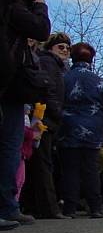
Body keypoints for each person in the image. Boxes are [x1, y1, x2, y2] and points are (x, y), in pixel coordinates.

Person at [0, 0, 50, 230]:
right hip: (7, 73)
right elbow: (39, 30)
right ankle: (5, 205)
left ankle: (7, 204)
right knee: (7, 141)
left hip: (11, 76)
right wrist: (40, 9)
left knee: (11, 141)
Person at [58, 43, 103, 218]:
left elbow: (54, 99)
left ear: (72, 57)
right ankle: (95, 207)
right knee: (90, 169)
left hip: (67, 129)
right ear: (91, 59)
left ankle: (69, 208)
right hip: (93, 131)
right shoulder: (100, 82)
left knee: (70, 169)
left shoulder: (64, 78)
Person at [19, 33, 70, 219]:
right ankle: (49, 208)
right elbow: (47, 90)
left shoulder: (57, 66)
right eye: (61, 47)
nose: (65, 50)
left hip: (48, 118)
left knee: (39, 163)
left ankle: (33, 205)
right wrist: (55, 112)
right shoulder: (49, 63)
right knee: (43, 163)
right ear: (51, 48)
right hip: (43, 119)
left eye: (67, 47)